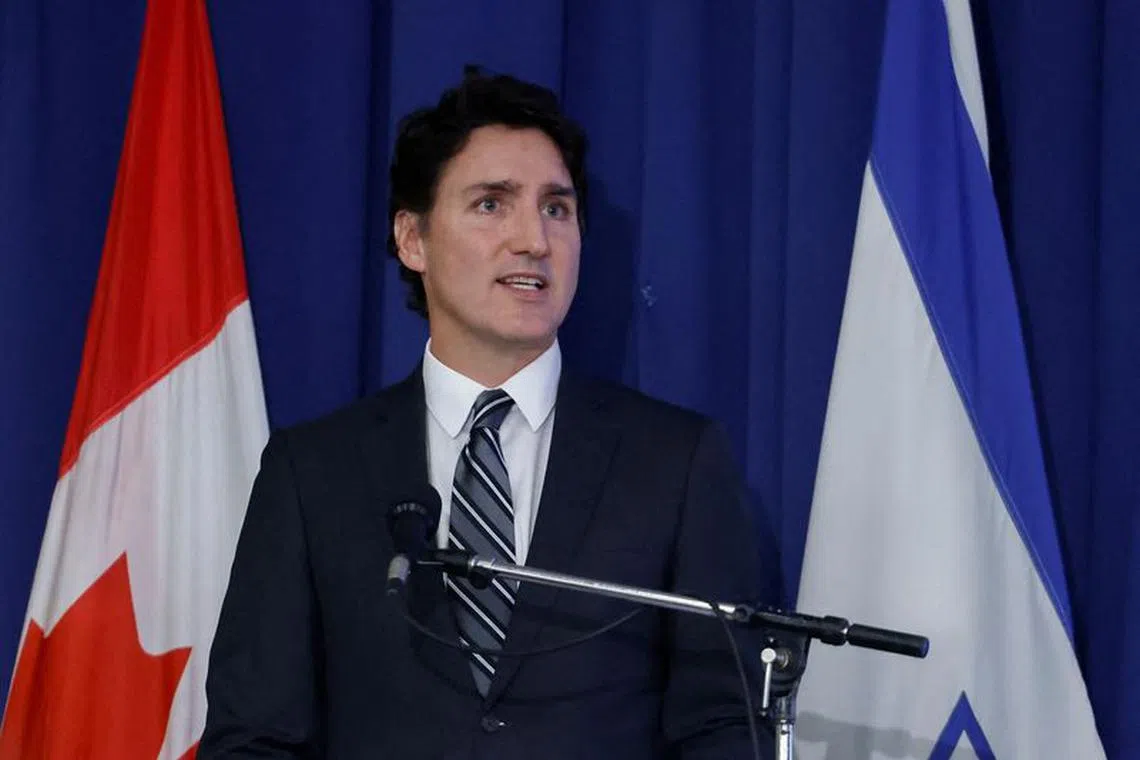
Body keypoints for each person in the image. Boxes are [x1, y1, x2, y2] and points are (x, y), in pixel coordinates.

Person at [200, 67, 774, 759]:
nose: (533, 238)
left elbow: (724, 727)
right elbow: (255, 737)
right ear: (413, 239)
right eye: (492, 204)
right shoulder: (312, 472)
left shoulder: (677, 461)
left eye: (556, 208)